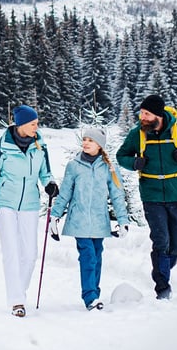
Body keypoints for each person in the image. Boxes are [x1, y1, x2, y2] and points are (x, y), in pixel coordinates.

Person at [116, 95, 177, 300]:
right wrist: (134, 163)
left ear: (158, 115)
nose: (142, 117)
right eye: (141, 113)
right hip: (151, 194)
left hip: (176, 192)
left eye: (146, 114)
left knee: (176, 243)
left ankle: (164, 268)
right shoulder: (137, 135)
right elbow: (120, 155)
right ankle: (162, 288)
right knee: (161, 240)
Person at [0, 104, 59, 317]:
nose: (37, 127)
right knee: (11, 251)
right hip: (5, 203)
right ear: (21, 124)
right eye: (33, 124)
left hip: (30, 205)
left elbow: (46, 173)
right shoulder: (2, 147)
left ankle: (19, 292)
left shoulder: (40, 146)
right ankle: (17, 301)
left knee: (31, 254)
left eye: (37, 123)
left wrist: (49, 184)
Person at [49, 128, 130, 311]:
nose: (85, 143)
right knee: (88, 256)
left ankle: (94, 292)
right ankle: (90, 297)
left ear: (99, 145)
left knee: (97, 256)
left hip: (99, 220)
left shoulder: (110, 167)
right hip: (79, 220)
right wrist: (55, 216)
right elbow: (65, 193)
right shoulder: (74, 166)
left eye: (90, 140)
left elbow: (117, 195)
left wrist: (123, 221)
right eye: (84, 139)